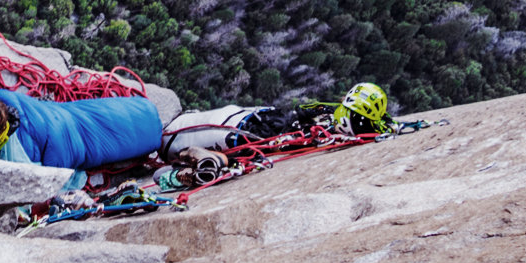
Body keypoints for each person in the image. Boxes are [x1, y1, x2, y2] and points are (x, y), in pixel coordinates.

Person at [0, 88, 163, 171]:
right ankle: (145, 114)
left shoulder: (1, 151)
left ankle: (147, 118)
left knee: (91, 128)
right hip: (56, 118)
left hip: (61, 133)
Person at [160, 82, 392, 155]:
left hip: (254, 124)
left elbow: (304, 108)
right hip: (253, 128)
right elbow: (306, 109)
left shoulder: (330, 116)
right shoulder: (337, 123)